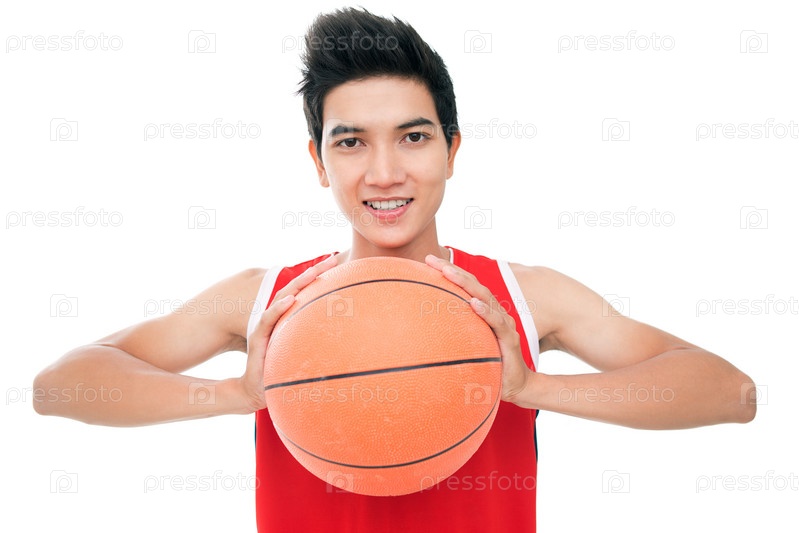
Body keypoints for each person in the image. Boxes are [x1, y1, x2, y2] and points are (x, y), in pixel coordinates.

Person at [33, 7, 756, 532]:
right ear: (319, 161)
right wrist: (236, 392)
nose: (383, 173)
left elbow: (731, 393)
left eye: (412, 137)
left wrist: (532, 387)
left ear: (452, 150)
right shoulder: (266, 303)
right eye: (350, 142)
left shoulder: (525, 298)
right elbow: (59, 386)